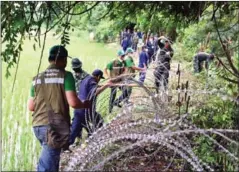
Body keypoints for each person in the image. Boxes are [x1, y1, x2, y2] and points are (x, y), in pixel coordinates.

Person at [27, 45, 90, 171]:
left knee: (52, 160)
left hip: (38, 126)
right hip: (54, 128)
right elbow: (73, 102)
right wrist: (84, 104)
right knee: (46, 167)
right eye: (65, 60)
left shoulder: (37, 78)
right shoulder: (66, 76)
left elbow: (31, 106)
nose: (66, 64)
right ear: (62, 60)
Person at [70, 69, 112, 145]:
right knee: (99, 123)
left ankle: (65, 147)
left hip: (78, 109)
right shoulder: (92, 81)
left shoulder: (86, 79)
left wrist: (100, 85)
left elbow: (89, 88)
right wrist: (106, 85)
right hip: (86, 110)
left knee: (74, 131)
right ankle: (95, 140)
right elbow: (95, 92)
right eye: (99, 79)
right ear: (98, 77)